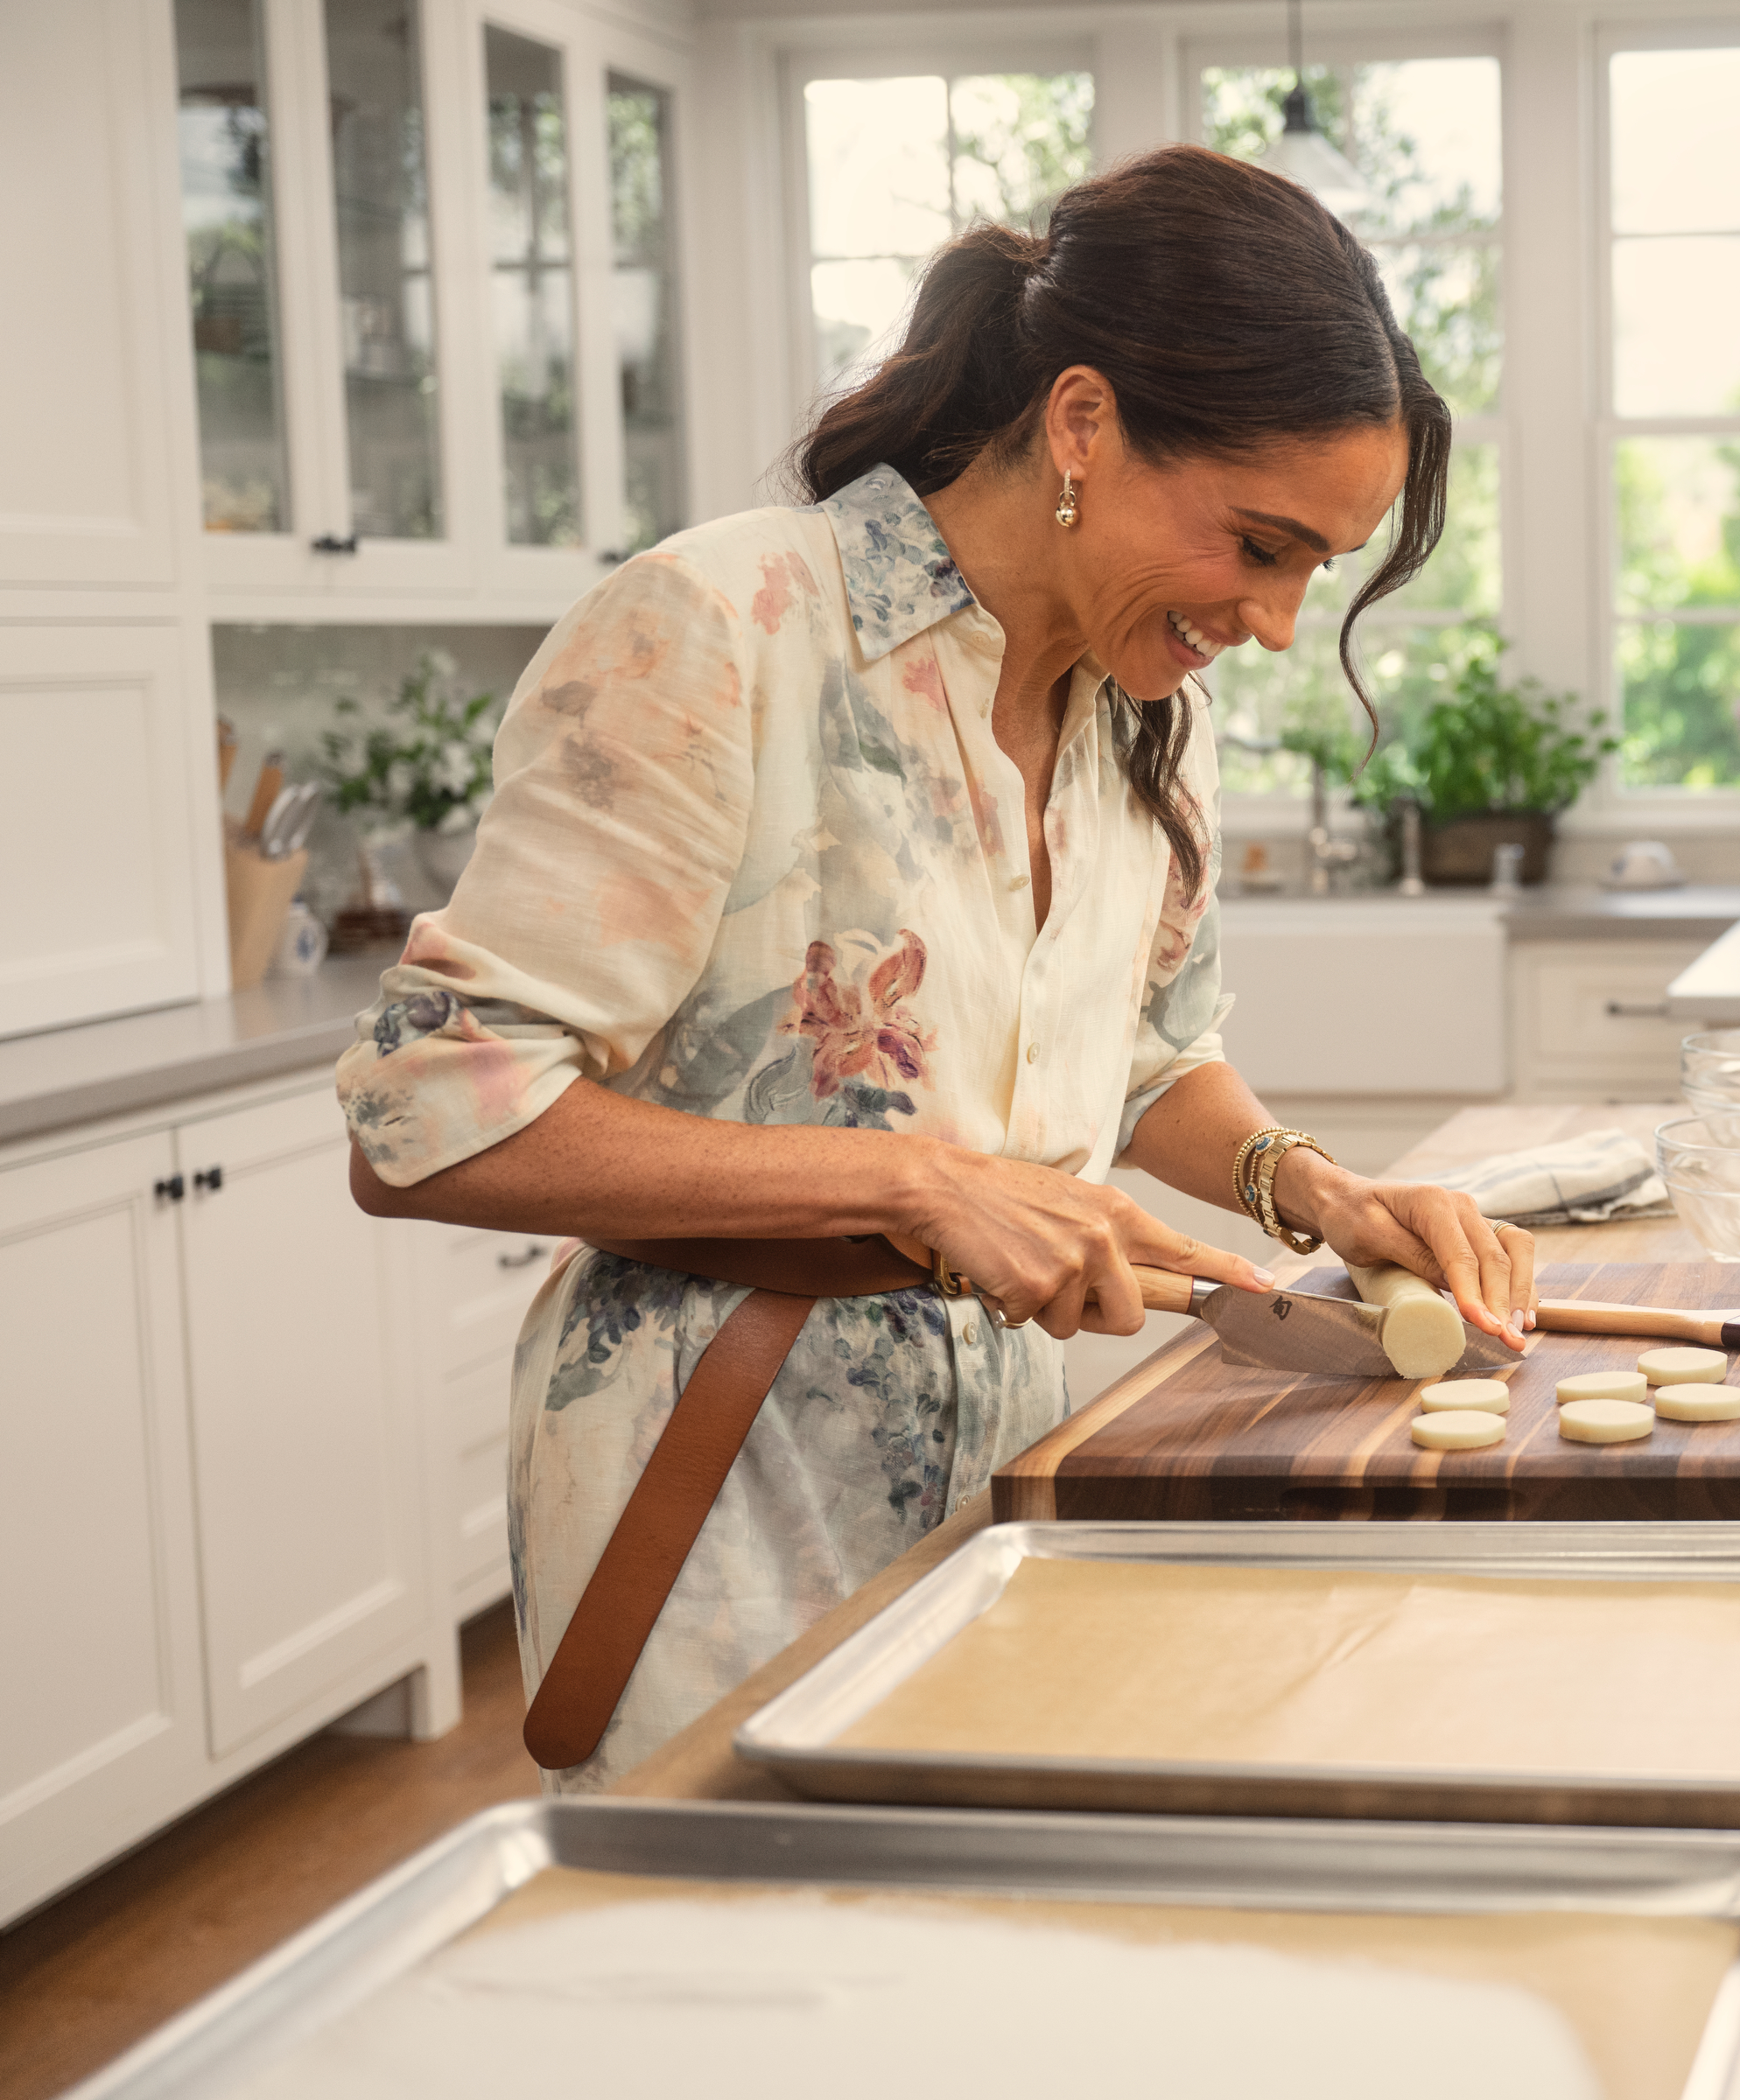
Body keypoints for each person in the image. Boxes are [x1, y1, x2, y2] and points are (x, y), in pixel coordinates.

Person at [338, 145, 1535, 1789]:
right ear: (1084, 423)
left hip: (1026, 1468)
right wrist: (910, 1185)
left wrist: (1305, 1186)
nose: (1274, 622)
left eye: (1313, 570)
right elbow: (426, 1117)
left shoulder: (1141, 727)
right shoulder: (725, 627)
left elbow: (1138, 1055)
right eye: (1260, 544)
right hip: (724, 1502)